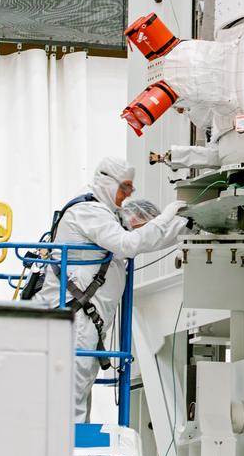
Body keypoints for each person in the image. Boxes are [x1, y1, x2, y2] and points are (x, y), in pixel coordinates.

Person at [36, 157, 188, 421]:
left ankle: (72, 451)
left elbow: (143, 239)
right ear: (108, 182)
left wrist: (183, 226)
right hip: (74, 318)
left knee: (78, 389)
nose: (129, 194)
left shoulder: (106, 214)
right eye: (125, 186)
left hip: (83, 320)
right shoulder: (89, 212)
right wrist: (165, 218)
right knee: (70, 392)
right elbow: (128, 244)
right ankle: (65, 455)